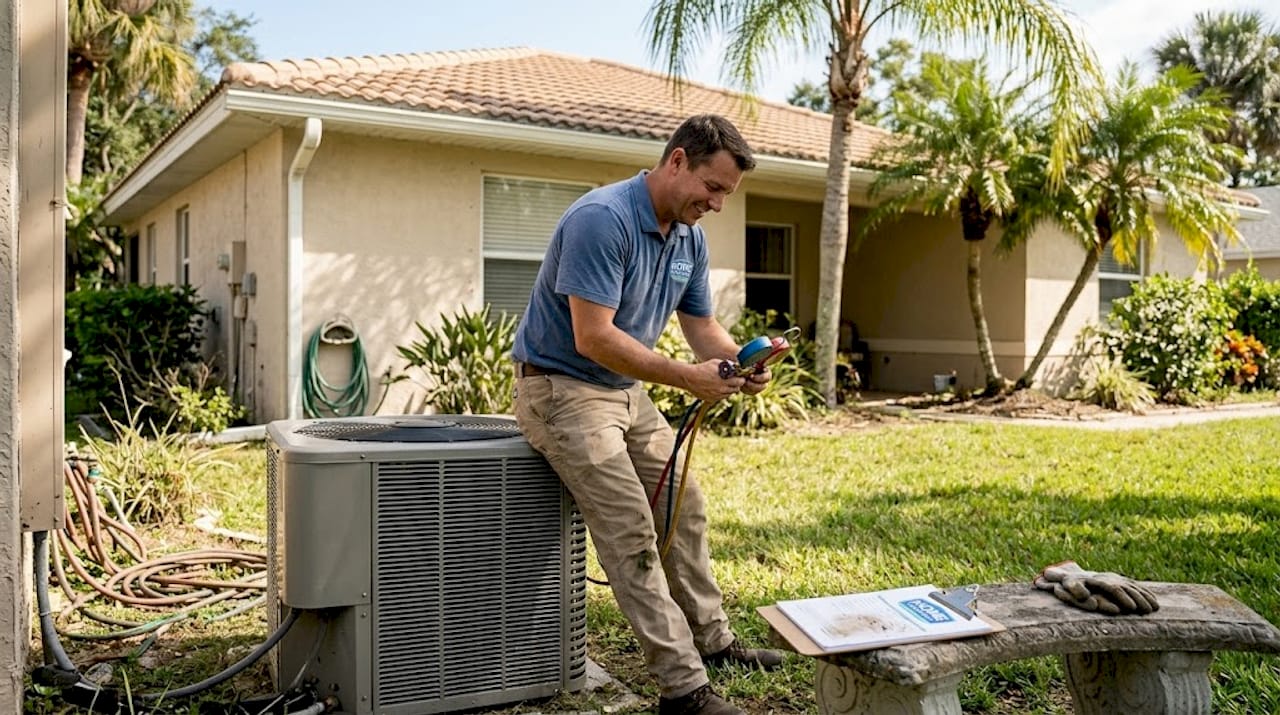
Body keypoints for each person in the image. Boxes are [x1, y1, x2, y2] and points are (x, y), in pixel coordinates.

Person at [511, 115, 783, 715]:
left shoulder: (688, 237)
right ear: (678, 160)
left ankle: (713, 642)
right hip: (562, 389)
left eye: (726, 196)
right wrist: (687, 377)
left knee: (683, 508)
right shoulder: (601, 220)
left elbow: (701, 326)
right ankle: (683, 689)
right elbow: (594, 338)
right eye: (711, 188)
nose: (715, 204)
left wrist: (741, 361)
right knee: (631, 530)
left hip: (624, 393)